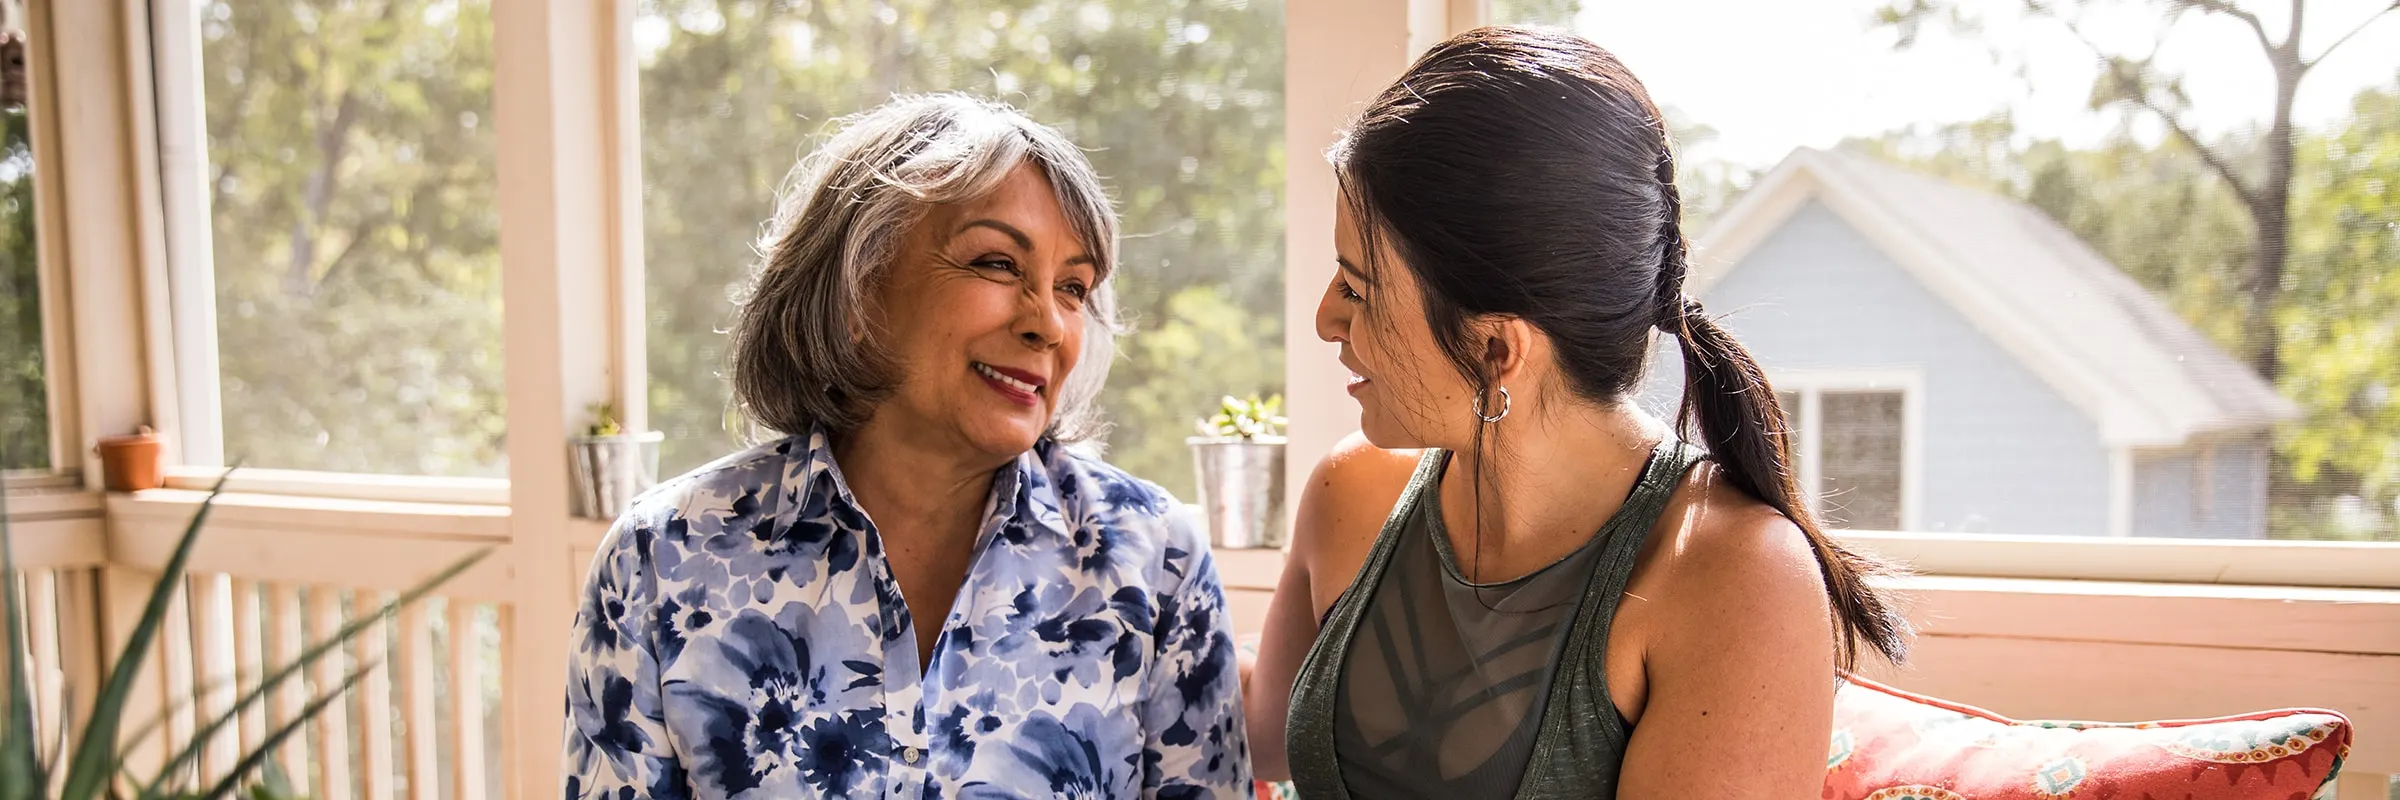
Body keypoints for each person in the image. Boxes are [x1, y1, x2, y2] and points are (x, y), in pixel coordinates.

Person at [1243, 27, 1909, 798]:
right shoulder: (1349, 495)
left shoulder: (1738, 582)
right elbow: (1263, 739)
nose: (1326, 318)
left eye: (1359, 288)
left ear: (1496, 350)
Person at [563, 93, 1251, 800]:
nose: (1048, 322)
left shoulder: (1154, 557)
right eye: (996, 264)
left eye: (1072, 287)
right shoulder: (660, 558)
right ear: (860, 289)